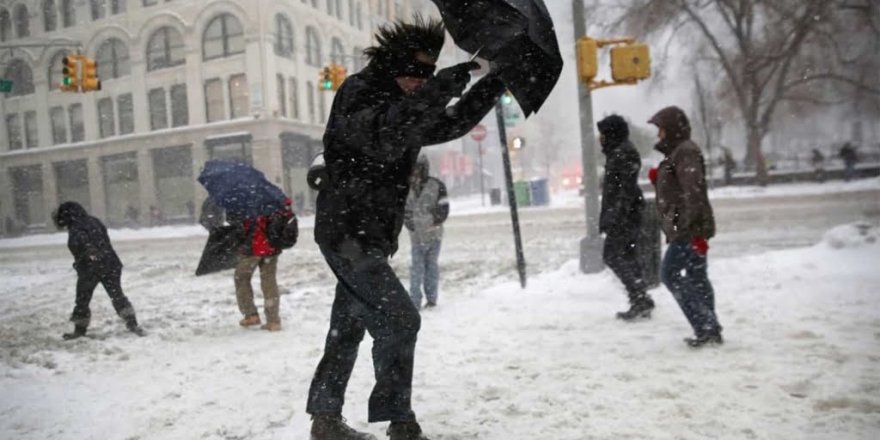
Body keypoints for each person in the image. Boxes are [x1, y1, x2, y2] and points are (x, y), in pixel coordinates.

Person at [307, 15, 506, 440]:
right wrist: (442, 86)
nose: (422, 81)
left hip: (372, 237)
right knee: (401, 320)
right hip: (347, 234)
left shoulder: (407, 103)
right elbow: (383, 134)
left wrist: (494, 83)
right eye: (417, 72)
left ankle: (325, 420)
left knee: (348, 327)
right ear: (396, 64)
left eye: (429, 73)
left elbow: (449, 123)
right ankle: (400, 423)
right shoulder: (358, 94)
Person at [647, 106, 723, 348]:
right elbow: (681, 185)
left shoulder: (685, 152)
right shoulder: (680, 152)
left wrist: (693, 230)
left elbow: (693, 191)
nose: (658, 134)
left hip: (688, 229)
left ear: (670, 129)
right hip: (690, 227)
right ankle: (710, 327)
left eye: (661, 129)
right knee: (697, 276)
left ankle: (706, 326)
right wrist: (659, 178)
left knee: (669, 274)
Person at [52, 201, 145, 339]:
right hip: (111, 263)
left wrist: (90, 257)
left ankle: (80, 330)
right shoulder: (93, 221)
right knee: (117, 294)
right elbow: (103, 240)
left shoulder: (76, 227)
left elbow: (84, 244)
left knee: (82, 299)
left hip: (91, 267)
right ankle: (132, 323)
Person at [597, 115, 652, 321]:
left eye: (602, 134)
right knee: (627, 256)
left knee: (612, 255)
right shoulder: (619, 152)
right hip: (624, 214)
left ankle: (639, 296)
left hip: (624, 216)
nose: (600, 138)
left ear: (611, 133)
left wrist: (614, 217)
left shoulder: (623, 153)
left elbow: (624, 190)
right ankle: (641, 297)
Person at [231, 199, 293, 332]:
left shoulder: (247, 200)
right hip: (272, 248)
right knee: (269, 281)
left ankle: (251, 314)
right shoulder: (274, 198)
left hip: (254, 247)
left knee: (241, 277)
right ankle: (273, 320)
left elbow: (243, 225)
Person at [404, 154, 449, 310]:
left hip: (434, 235)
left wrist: (432, 222)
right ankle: (414, 300)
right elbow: (404, 211)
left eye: (419, 167)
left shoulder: (437, 185)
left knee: (431, 267)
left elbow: (444, 209)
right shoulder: (406, 188)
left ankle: (431, 299)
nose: (416, 171)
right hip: (416, 237)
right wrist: (412, 225)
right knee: (416, 269)